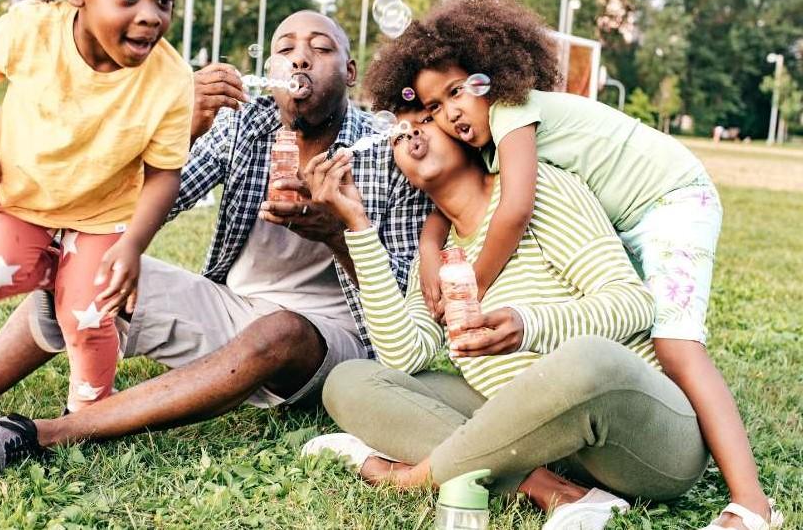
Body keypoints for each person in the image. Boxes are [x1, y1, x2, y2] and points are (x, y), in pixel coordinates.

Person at [0, 10, 431, 485]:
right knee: (89, 261)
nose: (300, 60)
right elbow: (134, 209)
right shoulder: (245, 127)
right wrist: (184, 129)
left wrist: (338, 234)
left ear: (350, 72)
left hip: (330, 342)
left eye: (321, 49)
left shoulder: (386, 151)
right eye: (285, 49)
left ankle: (44, 434)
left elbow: (408, 300)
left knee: (279, 330)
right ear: (270, 69)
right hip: (229, 310)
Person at [363, 0, 780, 530]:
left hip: (671, 197)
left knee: (675, 342)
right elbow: (449, 205)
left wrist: (475, 285)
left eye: (454, 92)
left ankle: (750, 502)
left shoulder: (512, 110)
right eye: (435, 109)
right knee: (628, 332)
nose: (449, 115)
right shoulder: (488, 141)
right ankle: (575, 456)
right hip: (626, 215)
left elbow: (513, 210)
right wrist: (427, 246)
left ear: (490, 74)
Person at [303, 109, 708, 530]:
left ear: (467, 130)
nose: (411, 132)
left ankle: (410, 477)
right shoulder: (434, 257)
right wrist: (357, 224)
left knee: (587, 358)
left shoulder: (540, 190)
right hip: (536, 441)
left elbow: (632, 302)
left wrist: (527, 324)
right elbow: (403, 357)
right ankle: (553, 490)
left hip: (637, 439)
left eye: (426, 115)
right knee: (351, 380)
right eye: (397, 131)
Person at [0, 0, 193, 417]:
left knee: (89, 318)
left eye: (164, 0)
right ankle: (65, 276)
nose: (150, 15)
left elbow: (164, 174)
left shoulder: (171, 78)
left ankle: (87, 412)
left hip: (103, 216)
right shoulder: (31, 31)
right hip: (24, 198)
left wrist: (133, 245)